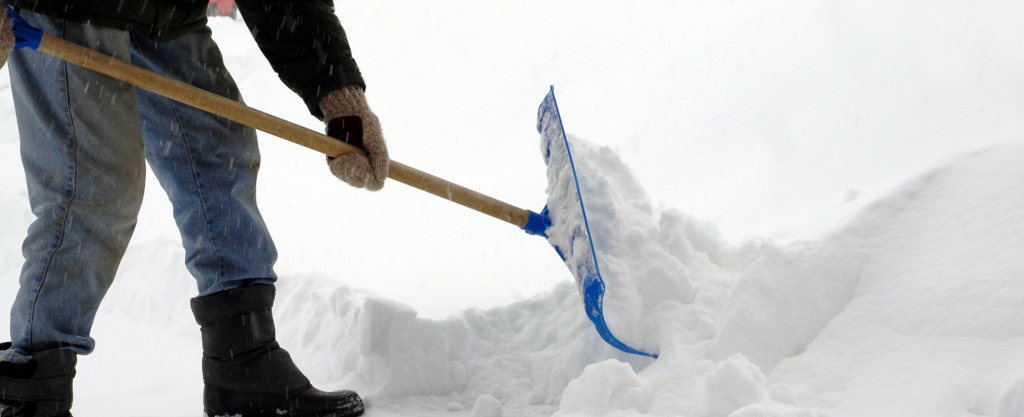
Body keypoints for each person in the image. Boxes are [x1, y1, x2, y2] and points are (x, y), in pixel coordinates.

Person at [0, 0, 389, 415]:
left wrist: (338, 91)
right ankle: (32, 393)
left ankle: (244, 362)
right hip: (67, 8)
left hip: (164, 12)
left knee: (218, 153)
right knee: (92, 185)